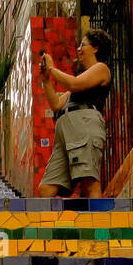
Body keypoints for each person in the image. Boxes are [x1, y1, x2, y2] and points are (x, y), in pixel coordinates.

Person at [39, 28, 112, 199]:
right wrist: (46, 79)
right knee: (46, 190)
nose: (79, 49)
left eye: (83, 44)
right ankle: (58, 225)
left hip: (85, 125)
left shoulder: (101, 69)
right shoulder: (81, 78)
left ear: (95, 48)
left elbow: (73, 84)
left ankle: (98, 224)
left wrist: (52, 69)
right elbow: (56, 104)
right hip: (66, 132)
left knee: (89, 183)